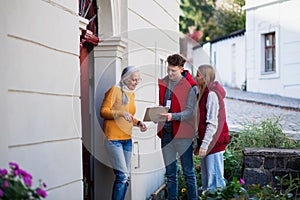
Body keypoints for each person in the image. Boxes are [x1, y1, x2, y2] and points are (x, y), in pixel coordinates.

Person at [100, 66, 147, 200]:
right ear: (125, 79)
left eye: (138, 80)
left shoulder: (131, 94)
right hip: (113, 139)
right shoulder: (114, 91)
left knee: (127, 177)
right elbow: (103, 111)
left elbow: (129, 116)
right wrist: (120, 113)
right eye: (133, 80)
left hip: (127, 140)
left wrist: (139, 123)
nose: (136, 83)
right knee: (122, 176)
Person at [157, 54, 198, 200]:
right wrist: (157, 114)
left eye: (173, 71)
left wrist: (172, 116)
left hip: (184, 136)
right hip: (166, 134)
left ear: (181, 69)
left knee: (188, 173)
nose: (169, 74)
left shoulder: (191, 87)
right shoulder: (163, 83)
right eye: (168, 69)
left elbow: (190, 111)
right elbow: (162, 104)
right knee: (170, 174)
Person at [194, 64, 230, 193]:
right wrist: (198, 144)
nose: (195, 77)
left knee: (215, 183)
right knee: (207, 181)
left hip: (213, 143)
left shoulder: (212, 95)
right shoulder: (202, 94)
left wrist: (204, 145)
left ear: (205, 77)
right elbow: (200, 123)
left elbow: (212, 123)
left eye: (198, 75)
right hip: (208, 143)